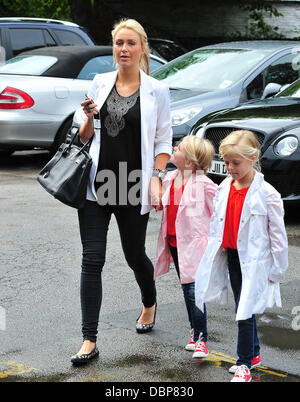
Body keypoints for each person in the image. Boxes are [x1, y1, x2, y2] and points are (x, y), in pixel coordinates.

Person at [70, 18, 172, 364]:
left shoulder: (157, 90)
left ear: (142, 47)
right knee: (92, 260)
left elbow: (162, 141)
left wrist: (158, 176)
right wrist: (87, 117)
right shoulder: (98, 83)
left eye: (130, 43)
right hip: (96, 184)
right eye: (118, 43)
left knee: (133, 255)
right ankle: (89, 340)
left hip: (133, 183)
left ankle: (149, 301)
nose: (123, 49)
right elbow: (83, 137)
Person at [195, 130, 288, 382]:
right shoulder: (225, 186)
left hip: (255, 261)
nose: (229, 168)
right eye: (226, 162)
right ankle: (254, 353)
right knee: (243, 306)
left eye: (235, 163)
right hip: (232, 256)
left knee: (244, 312)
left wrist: (277, 270)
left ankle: (244, 362)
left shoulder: (268, 194)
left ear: (253, 158)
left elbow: (278, 236)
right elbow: (218, 221)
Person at [154, 136, 217, 359]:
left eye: (178, 148)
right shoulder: (170, 178)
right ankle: (194, 329)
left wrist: (216, 241)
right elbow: (165, 201)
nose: (174, 148)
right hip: (174, 243)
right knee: (186, 288)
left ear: (189, 162)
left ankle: (202, 338)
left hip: (195, 246)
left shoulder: (204, 185)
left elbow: (219, 211)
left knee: (193, 290)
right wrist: (158, 199)